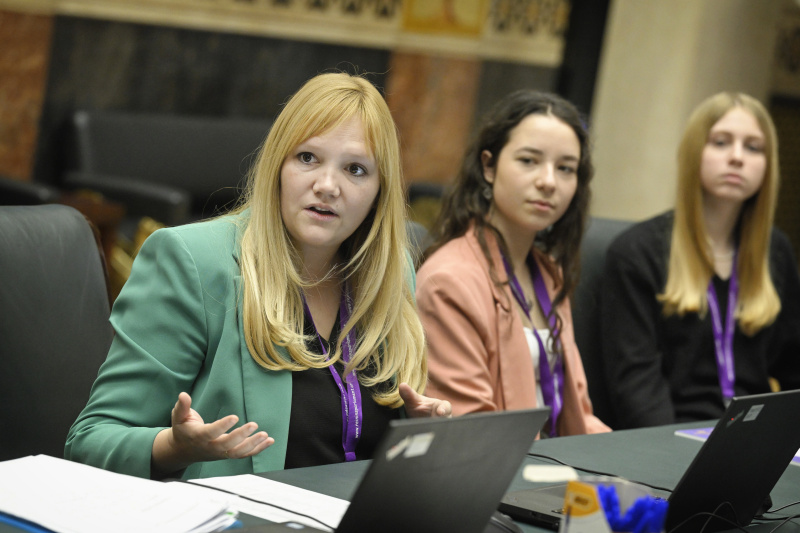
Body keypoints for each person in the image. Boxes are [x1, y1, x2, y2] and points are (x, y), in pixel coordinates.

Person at [65, 72, 451, 480]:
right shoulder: (194, 261)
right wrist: (173, 447)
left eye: (355, 169)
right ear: (277, 165)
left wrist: (414, 428)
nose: (327, 185)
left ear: (380, 191)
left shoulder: (391, 275)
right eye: (307, 158)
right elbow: (91, 441)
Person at [415, 90, 610, 437]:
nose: (548, 181)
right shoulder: (448, 280)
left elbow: (578, 414)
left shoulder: (549, 273)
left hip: (553, 466)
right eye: (529, 161)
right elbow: (472, 427)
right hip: (496, 474)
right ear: (488, 166)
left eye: (565, 168)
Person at [602, 92, 800, 429]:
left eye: (754, 147)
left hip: (755, 437)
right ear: (695, 153)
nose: (737, 157)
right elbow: (638, 390)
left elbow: (794, 368)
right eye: (721, 142)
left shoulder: (775, 251)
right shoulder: (637, 253)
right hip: (673, 439)